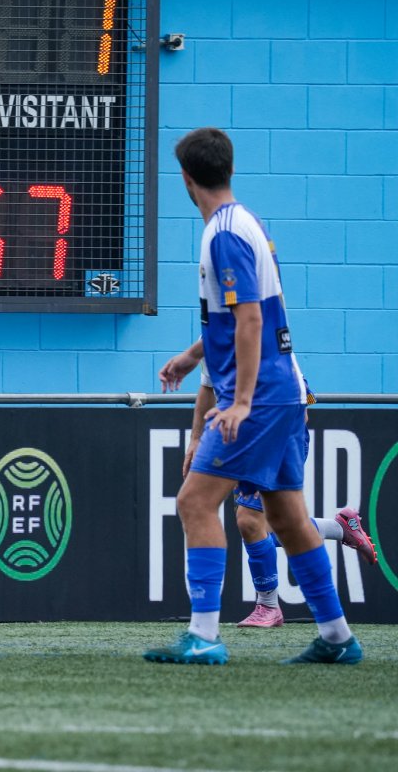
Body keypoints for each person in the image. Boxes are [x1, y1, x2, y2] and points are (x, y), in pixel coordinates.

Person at [147, 127, 361, 665]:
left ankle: (203, 637)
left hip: (261, 398)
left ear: (186, 180)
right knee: (288, 518)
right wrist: (195, 355)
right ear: (230, 169)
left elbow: (250, 318)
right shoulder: (248, 224)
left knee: (195, 502)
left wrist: (240, 400)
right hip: (287, 391)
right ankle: (337, 638)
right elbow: (244, 312)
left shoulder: (222, 234)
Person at [172, 358, 377, 628]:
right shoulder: (213, 332)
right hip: (246, 437)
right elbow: (208, 389)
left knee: (247, 519)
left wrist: (265, 455)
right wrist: (196, 438)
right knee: (272, 526)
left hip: (280, 437)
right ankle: (340, 529)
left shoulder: (266, 337)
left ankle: (267, 607)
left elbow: (299, 412)